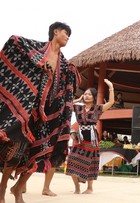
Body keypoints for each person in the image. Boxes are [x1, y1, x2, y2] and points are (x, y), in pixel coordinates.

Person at [0, 22, 80, 203]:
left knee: (41, 154)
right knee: (16, 151)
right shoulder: (36, 50)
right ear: (55, 32)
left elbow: (68, 88)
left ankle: (18, 188)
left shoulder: (65, 64)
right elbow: (14, 41)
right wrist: (38, 63)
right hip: (27, 110)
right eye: (66, 33)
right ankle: (3, 187)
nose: (67, 37)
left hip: (48, 116)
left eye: (69, 35)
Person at [65, 80, 114, 194]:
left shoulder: (98, 108)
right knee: (72, 161)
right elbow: (67, 104)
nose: (87, 96)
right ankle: (77, 188)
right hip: (79, 138)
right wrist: (78, 99)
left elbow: (111, 102)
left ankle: (89, 188)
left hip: (92, 140)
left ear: (94, 97)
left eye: (89, 94)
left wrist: (110, 87)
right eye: (85, 94)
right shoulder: (78, 108)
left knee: (91, 162)